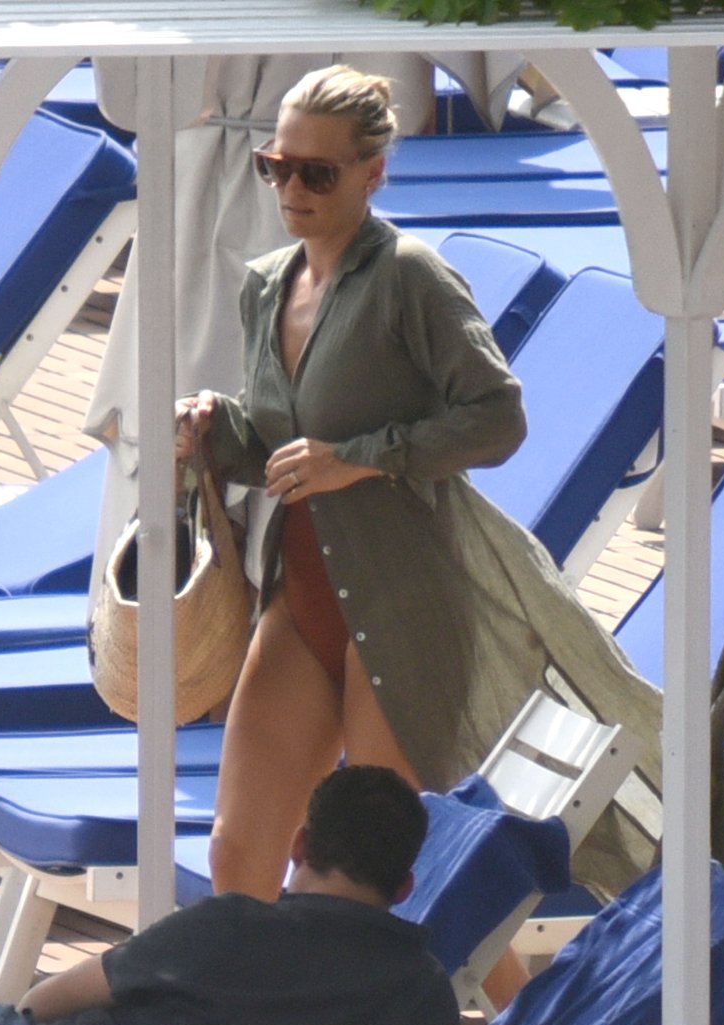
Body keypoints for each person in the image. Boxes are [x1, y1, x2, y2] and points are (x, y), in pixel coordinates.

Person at [175, 65, 529, 901]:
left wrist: (363, 456)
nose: (290, 189)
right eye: (275, 166)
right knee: (236, 853)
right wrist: (213, 428)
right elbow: (274, 441)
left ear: (372, 174)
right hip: (300, 598)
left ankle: (499, 989)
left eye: (317, 173)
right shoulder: (267, 283)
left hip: (402, 602)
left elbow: (498, 418)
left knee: (398, 878)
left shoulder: (411, 276)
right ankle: (232, 990)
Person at [0, 765, 459, 1025]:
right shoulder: (419, 993)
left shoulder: (226, 925)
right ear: (404, 887)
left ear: (299, 845)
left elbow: (39, 1004)